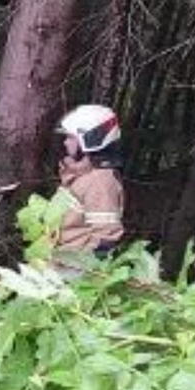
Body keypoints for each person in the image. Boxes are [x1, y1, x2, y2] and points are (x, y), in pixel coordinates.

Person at [52, 104, 126, 269]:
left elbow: (106, 239)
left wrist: (86, 278)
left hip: (73, 272)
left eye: (71, 137)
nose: (65, 143)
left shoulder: (100, 181)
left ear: (92, 139)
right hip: (59, 262)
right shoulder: (80, 175)